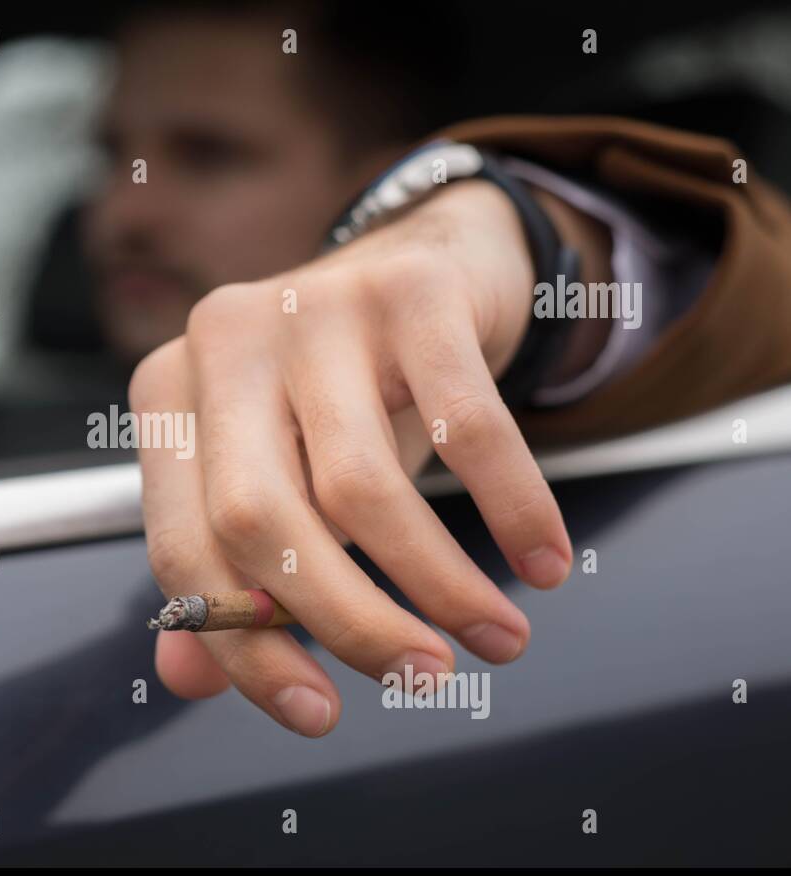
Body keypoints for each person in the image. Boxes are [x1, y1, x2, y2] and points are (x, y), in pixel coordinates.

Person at [81, 1, 791, 736]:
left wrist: (512, 237)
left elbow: (743, 297)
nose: (122, 213)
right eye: (109, 154)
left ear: (379, 178)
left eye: (209, 154)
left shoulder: (455, 377)